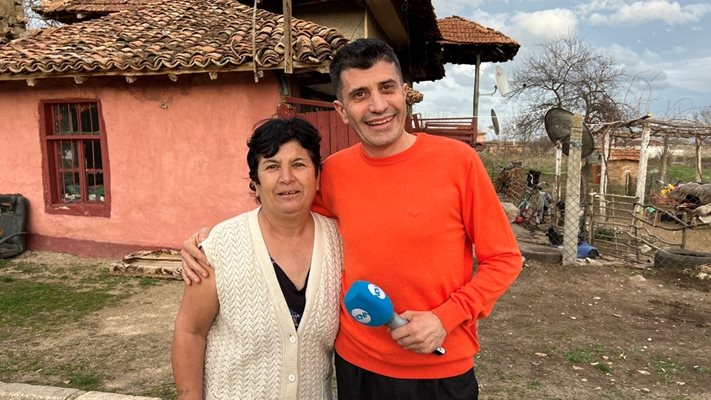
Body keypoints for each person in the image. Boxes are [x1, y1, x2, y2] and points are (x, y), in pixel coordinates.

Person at [181, 38, 522, 399]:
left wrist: (445, 317)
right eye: (360, 94)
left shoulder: (458, 162)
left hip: (441, 369)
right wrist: (209, 239)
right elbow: (279, 207)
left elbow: (504, 259)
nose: (378, 105)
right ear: (342, 110)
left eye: (386, 87)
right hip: (356, 367)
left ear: (405, 93)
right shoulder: (333, 173)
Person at [171, 117, 342, 400]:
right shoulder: (221, 245)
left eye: (299, 164)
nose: (287, 177)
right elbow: (190, 331)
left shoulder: (338, 243)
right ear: (256, 182)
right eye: (272, 166)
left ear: (317, 177)